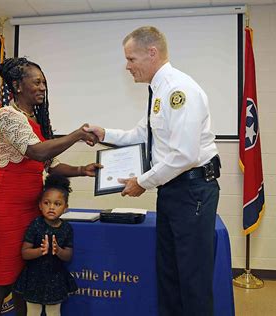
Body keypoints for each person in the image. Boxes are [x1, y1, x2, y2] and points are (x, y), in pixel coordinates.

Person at [86, 26, 221, 316]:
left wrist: (142, 182)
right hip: (173, 191)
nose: (127, 66)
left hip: (192, 192)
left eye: (131, 59)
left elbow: (184, 155)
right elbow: (142, 134)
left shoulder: (178, 90)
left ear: (152, 53)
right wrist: (103, 132)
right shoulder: (158, 90)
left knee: (192, 279)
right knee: (170, 275)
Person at [0, 57, 100, 316]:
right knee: (0, 281)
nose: (42, 87)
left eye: (44, 82)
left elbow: (51, 164)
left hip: (30, 209)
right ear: (17, 85)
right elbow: (35, 151)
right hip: (5, 208)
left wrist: (82, 170)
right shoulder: (6, 115)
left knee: (25, 280)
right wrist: (77, 134)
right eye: (36, 82)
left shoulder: (34, 119)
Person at [14, 174, 77, 316]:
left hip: (55, 279)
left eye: (57, 204)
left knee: (54, 311)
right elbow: (25, 252)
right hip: (34, 278)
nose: (51, 207)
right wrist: (40, 251)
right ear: (40, 205)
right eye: (47, 203)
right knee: (33, 311)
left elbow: (68, 255)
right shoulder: (36, 225)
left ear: (65, 207)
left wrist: (59, 250)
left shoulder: (66, 228)